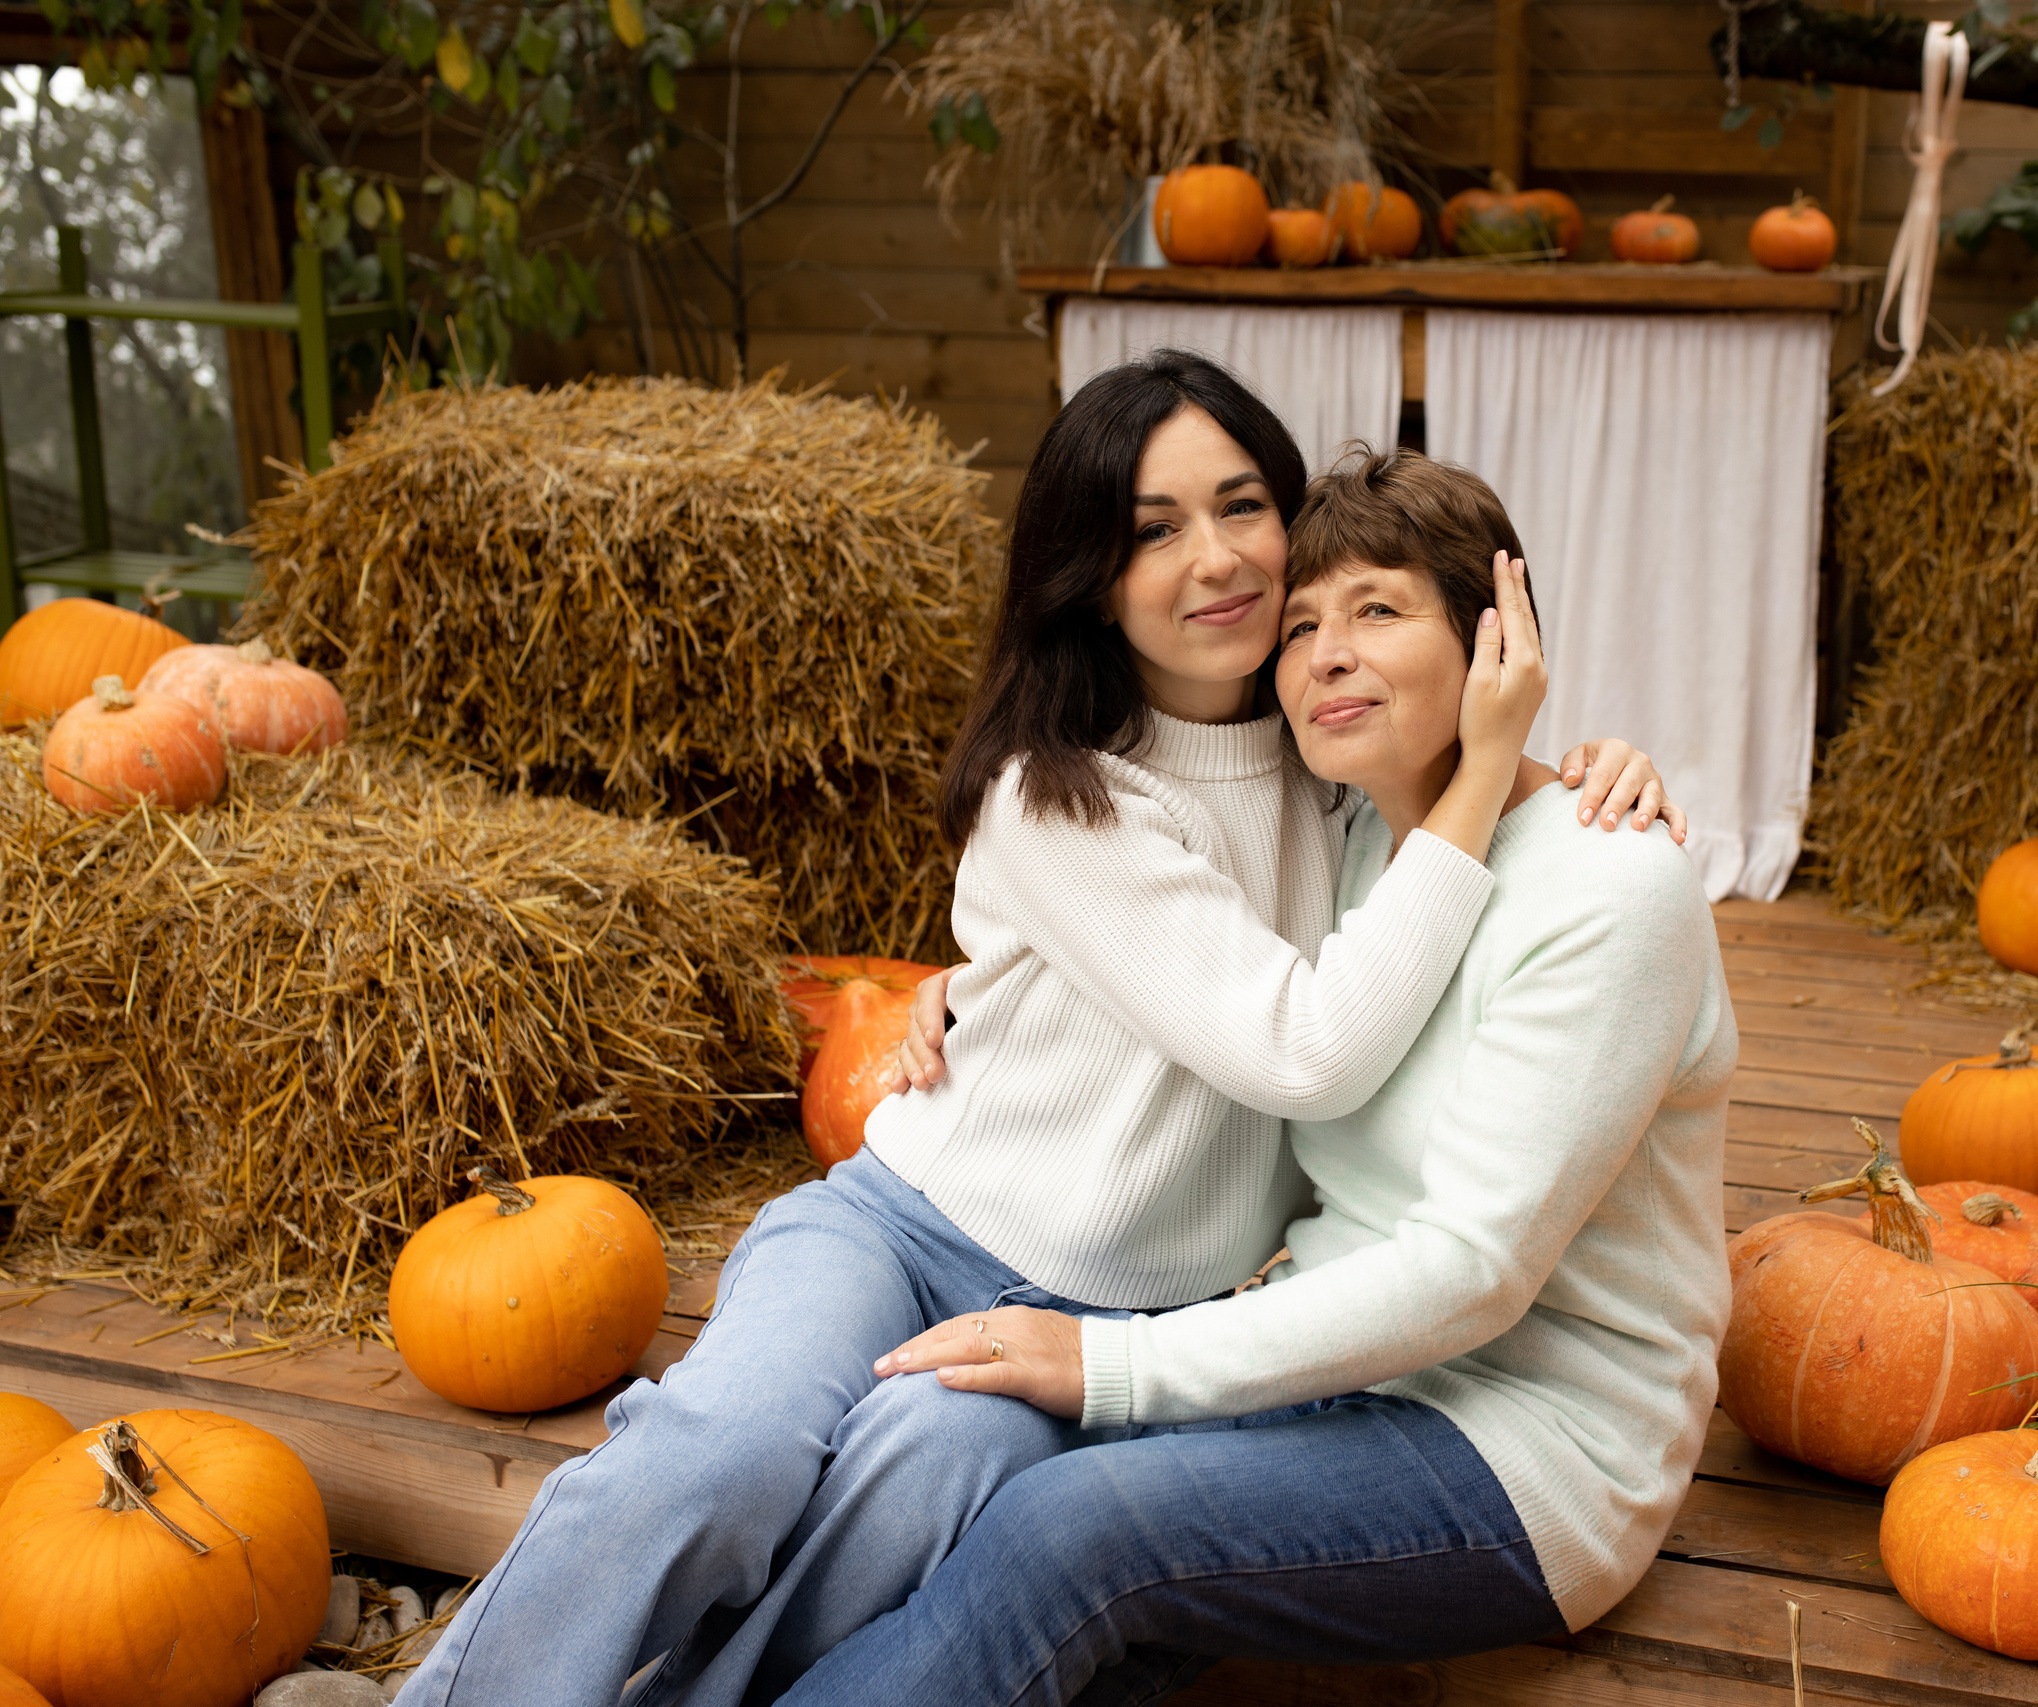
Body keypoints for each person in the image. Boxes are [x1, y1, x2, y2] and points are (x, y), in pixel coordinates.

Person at [399, 352, 1680, 1707]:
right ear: (1089, 575)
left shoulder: (1343, 780)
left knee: (922, 1475)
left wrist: (1571, 767)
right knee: (716, 1453)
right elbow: (1304, 1042)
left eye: (1243, 508)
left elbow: (1408, 858)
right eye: (1151, 530)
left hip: (1115, 1306)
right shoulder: (1056, 786)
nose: (1218, 560)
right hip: (909, 1224)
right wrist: (1493, 775)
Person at [770, 448, 1736, 1707]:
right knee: (974, 1483)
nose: (1327, 654)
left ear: (1499, 641)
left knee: (1068, 1533)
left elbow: (1473, 1274)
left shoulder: (1610, 888)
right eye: (1300, 626)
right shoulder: (1337, 851)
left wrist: (1106, 1364)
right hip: (1324, 1372)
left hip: (1526, 1447)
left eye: (1378, 610)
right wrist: (963, 993)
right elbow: (1182, 979)